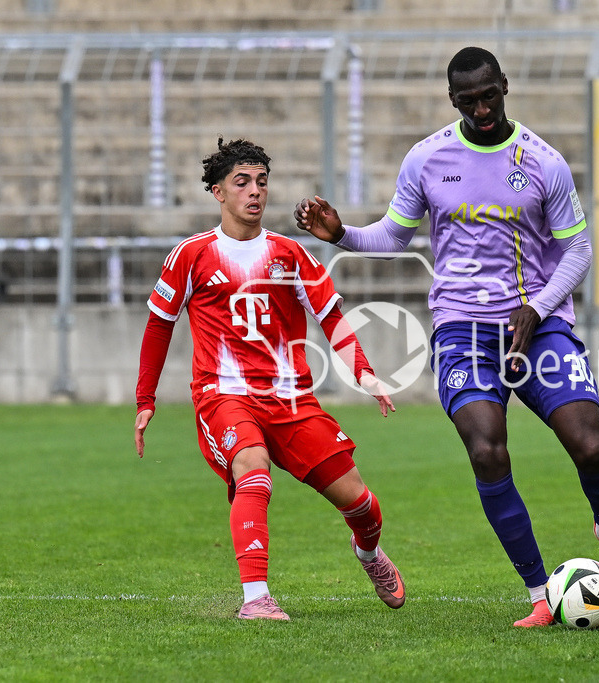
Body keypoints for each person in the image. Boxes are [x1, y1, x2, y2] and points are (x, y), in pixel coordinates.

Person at [294, 46, 599, 627]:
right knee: (487, 451)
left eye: (490, 95)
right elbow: (396, 235)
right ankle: (542, 594)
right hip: (462, 328)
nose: (482, 108)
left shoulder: (544, 162)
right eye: (469, 100)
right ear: (453, 100)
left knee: (589, 443)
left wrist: (537, 307)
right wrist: (342, 234)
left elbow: (579, 250)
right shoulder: (427, 158)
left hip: (537, 326)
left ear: (505, 87)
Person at [135, 137, 405, 621]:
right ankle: (255, 598)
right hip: (223, 396)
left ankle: (368, 555)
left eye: (261, 182)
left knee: (361, 503)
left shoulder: (292, 255)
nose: (254, 192)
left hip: (291, 399)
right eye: (242, 182)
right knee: (252, 469)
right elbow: (159, 323)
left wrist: (365, 373)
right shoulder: (191, 255)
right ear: (218, 192)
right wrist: (145, 398)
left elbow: (332, 319)